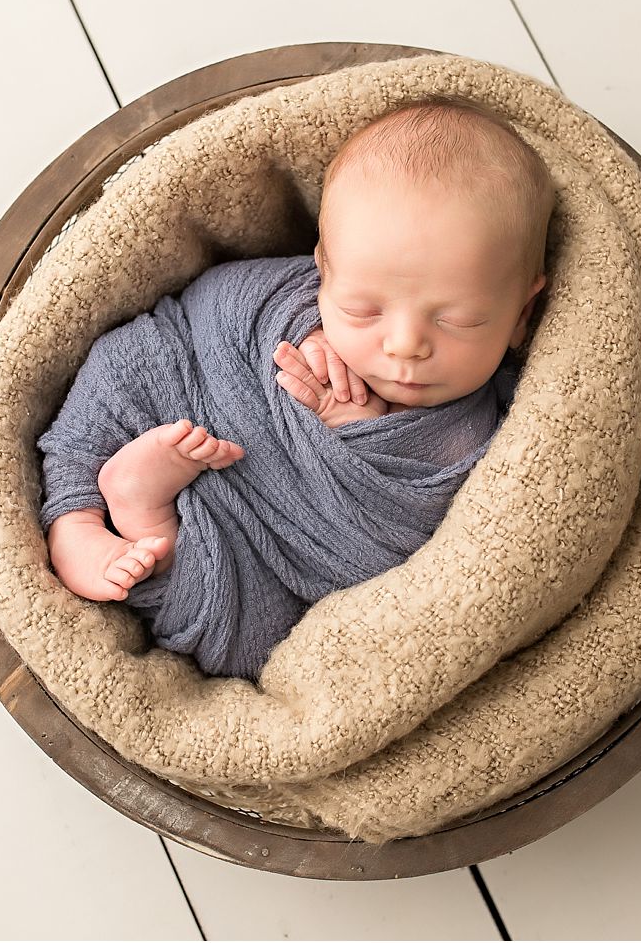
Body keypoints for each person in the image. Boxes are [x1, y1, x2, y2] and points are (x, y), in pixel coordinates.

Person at [40, 96, 553, 661]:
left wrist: (363, 434)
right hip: (209, 395)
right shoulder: (295, 299)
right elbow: (215, 300)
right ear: (323, 270)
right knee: (130, 364)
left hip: (261, 557)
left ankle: (149, 526)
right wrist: (297, 328)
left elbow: (429, 562)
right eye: (362, 309)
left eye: (458, 319)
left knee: (257, 642)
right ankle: (75, 519)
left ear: (521, 314)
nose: (405, 344)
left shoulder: (498, 429)